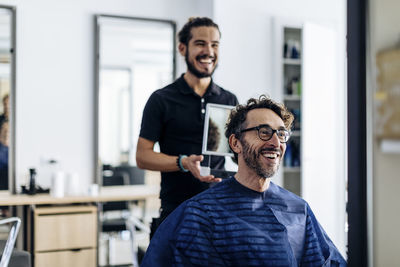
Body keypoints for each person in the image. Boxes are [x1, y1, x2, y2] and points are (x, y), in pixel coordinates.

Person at [141, 95, 347, 266]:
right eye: (264, 132)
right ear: (235, 143)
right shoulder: (201, 213)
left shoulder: (299, 209)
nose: (276, 142)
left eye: (281, 134)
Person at [136, 17, 238, 237]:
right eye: (201, 43)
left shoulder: (230, 100)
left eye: (215, 44)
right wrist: (182, 163)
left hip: (220, 211)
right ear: (182, 48)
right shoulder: (161, 99)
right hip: (176, 213)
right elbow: (142, 156)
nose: (209, 51)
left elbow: (237, 151)